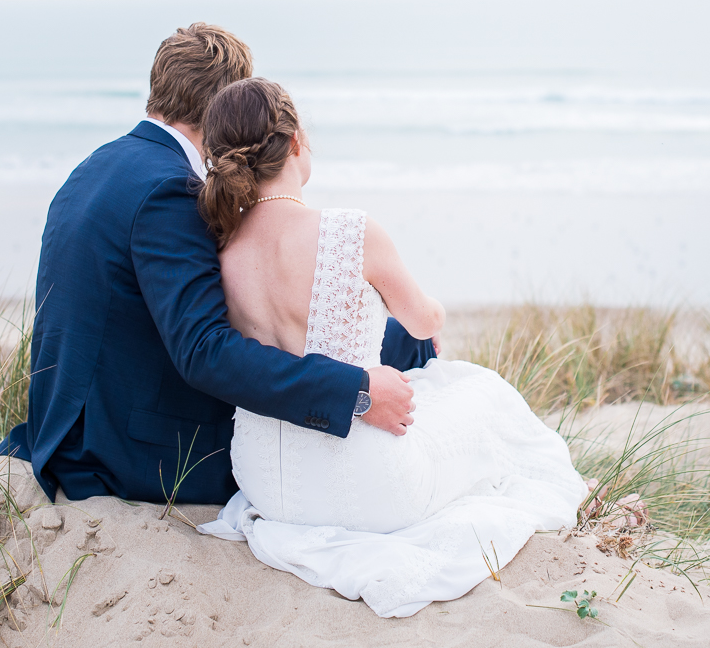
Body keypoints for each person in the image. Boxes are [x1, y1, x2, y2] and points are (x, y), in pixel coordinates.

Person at [0, 23, 434, 504]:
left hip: (73, 422)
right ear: (225, 105)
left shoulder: (96, 166)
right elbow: (204, 350)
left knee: (385, 336)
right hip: (132, 451)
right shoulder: (169, 192)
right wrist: (355, 390)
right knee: (403, 339)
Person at [195, 77, 587, 617]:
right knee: (482, 392)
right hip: (367, 481)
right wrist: (434, 311)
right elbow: (421, 319)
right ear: (294, 143)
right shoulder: (350, 232)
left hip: (266, 481)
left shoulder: (221, 249)